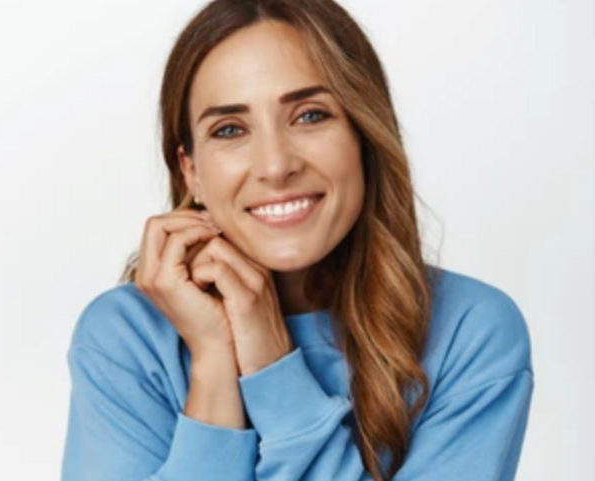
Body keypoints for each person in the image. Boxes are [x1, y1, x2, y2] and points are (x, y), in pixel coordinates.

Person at [60, 1, 534, 480]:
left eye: (310, 116)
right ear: (191, 171)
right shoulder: (125, 338)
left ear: (365, 135)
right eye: (230, 129)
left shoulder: (469, 332)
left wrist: (272, 364)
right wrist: (213, 362)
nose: (275, 165)